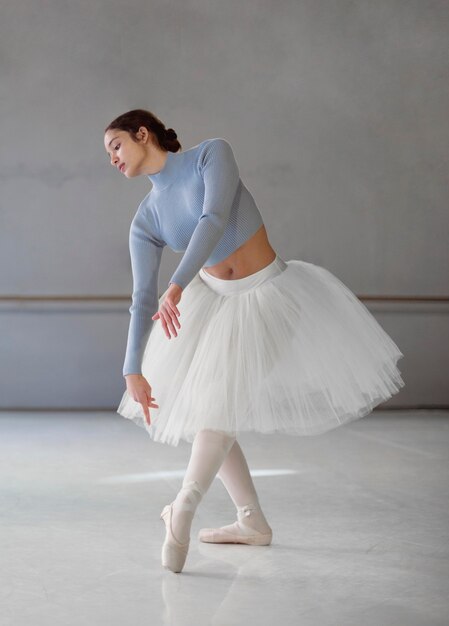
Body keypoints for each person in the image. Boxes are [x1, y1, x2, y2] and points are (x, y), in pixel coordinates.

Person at [103, 109, 405, 574]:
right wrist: (132, 368)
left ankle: (182, 507)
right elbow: (142, 298)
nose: (113, 158)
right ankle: (251, 521)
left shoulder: (212, 155)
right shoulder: (145, 218)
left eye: (116, 145)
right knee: (215, 411)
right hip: (213, 303)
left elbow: (214, 217)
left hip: (269, 295)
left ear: (143, 134)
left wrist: (178, 283)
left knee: (217, 409)